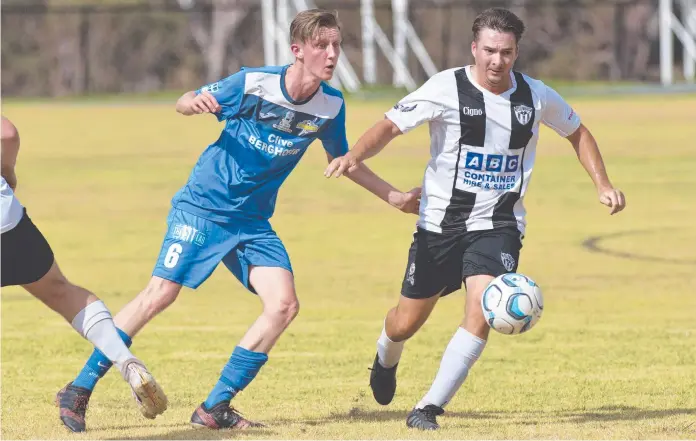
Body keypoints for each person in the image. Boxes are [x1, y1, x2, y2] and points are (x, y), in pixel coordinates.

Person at [57, 8, 420, 432]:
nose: (332, 54)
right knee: (159, 295)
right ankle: (78, 389)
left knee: (284, 306)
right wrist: (193, 103)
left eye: (337, 44)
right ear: (297, 51)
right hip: (203, 207)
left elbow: (345, 160)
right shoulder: (253, 82)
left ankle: (215, 407)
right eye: (322, 45)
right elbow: (183, 100)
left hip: (251, 223)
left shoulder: (330, 105)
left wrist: (393, 196)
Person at [325, 7, 626, 431]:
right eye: (489, 50)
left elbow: (577, 132)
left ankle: (428, 407)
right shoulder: (445, 88)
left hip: (499, 226)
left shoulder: (535, 95)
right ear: (474, 48)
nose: (497, 60)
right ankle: (385, 352)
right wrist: (355, 154)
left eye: (506, 52)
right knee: (406, 321)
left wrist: (603, 183)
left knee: (481, 310)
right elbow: (390, 126)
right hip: (440, 225)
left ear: (516, 52)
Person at [0, 116, 168, 433]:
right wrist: (6, 173)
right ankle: (126, 362)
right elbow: (6, 133)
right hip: (6, 222)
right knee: (60, 291)